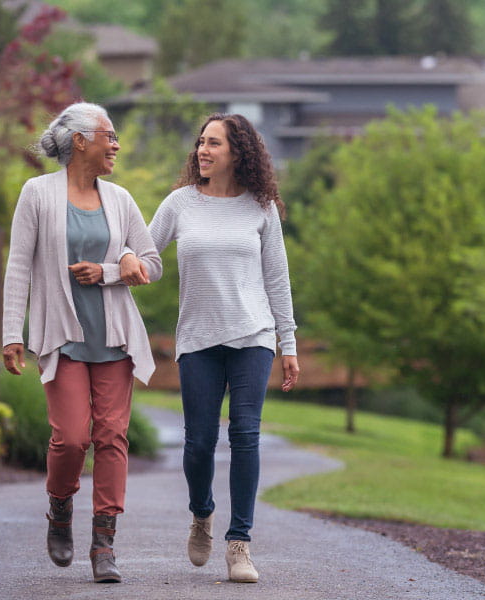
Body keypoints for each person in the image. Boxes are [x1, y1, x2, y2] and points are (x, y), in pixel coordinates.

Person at [127, 112, 300, 583]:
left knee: (245, 434)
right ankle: (202, 514)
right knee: (200, 442)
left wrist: (288, 342)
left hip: (253, 335)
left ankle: (239, 543)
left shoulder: (261, 208)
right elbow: (147, 255)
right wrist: (122, 266)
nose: (203, 150)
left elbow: (276, 279)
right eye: (201, 142)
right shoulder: (180, 203)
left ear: (238, 153)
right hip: (198, 339)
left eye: (214, 143)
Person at [1, 102, 160, 584]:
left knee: (112, 437)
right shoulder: (37, 193)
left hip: (114, 338)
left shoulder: (121, 199)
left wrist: (113, 270)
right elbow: (19, 266)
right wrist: (12, 333)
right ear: (79, 141)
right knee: (72, 438)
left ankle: (104, 544)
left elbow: (151, 263)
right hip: (64, 338)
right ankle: (60, 508)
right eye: (108, 136)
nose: (115, 145)